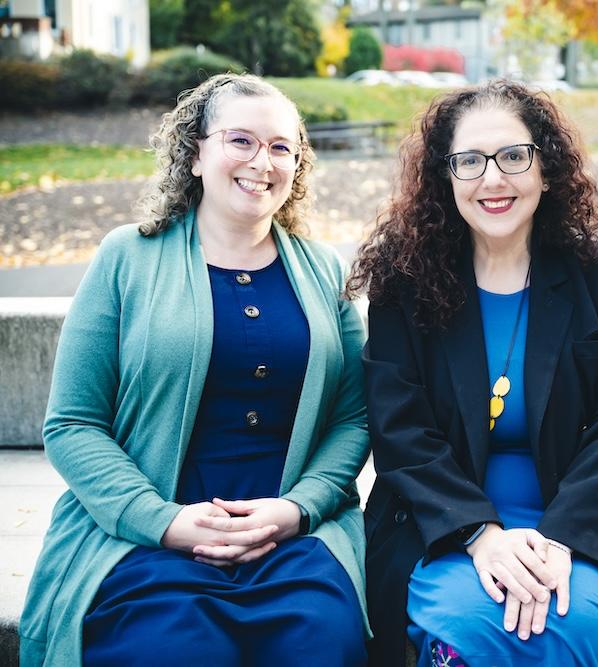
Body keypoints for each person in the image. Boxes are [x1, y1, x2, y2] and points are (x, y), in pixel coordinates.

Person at [19, 73, 370, 666]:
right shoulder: (125, 257)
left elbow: (354, 416)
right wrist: (163, 521)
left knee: (317, 641)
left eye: (281, 147)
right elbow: (73, 424)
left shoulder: (324, 269)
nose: (262, 161)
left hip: (294, 539)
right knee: (173, 648)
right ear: (196, 154)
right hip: (147, 538)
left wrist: (299, 508)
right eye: (241, 141)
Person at [347, 80, 598, 667]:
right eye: (470, 161)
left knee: (573, 618)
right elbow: (400, 429)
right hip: (441, 523)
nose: (492, 179)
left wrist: (560, 539)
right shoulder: (403, 281)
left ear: (546, 169)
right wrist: (480, 535)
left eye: (514, 156)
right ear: (445, 177)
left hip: (574, 522)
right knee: (471, 626)